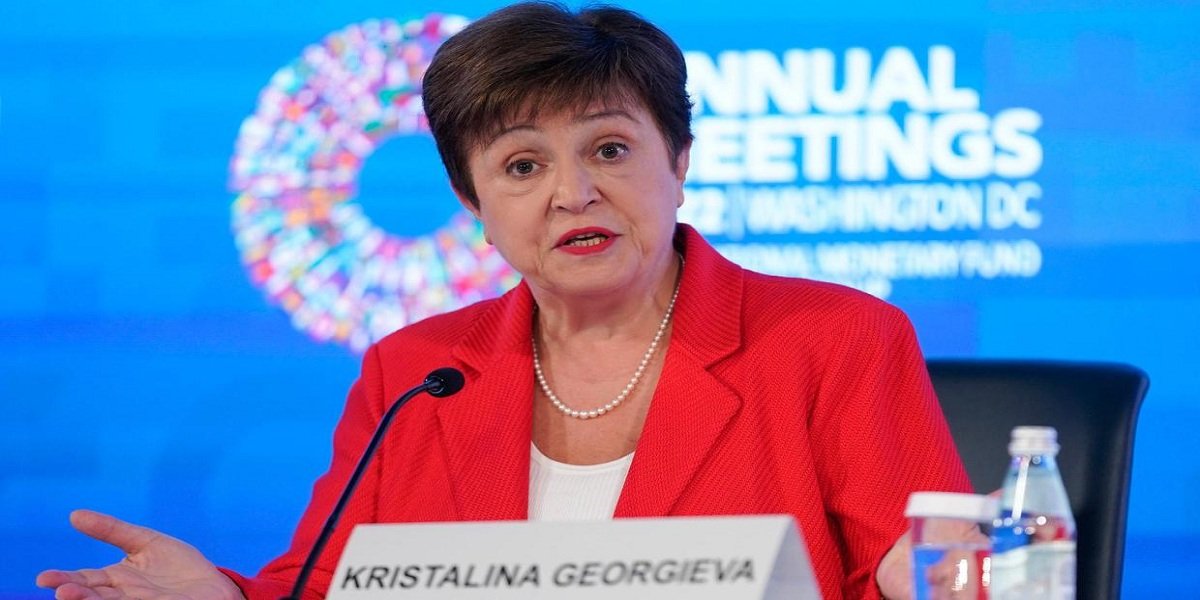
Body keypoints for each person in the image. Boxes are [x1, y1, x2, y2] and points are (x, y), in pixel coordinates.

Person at [37, 2, 972, 599]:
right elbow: (324, 586)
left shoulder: (834, 340)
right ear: (472, 203)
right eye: (522, 166)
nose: (574, 193)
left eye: (610, 149)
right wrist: (228, 599)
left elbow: (921, 571)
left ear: (679, 160)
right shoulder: (415, 373)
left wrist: (943, 574)